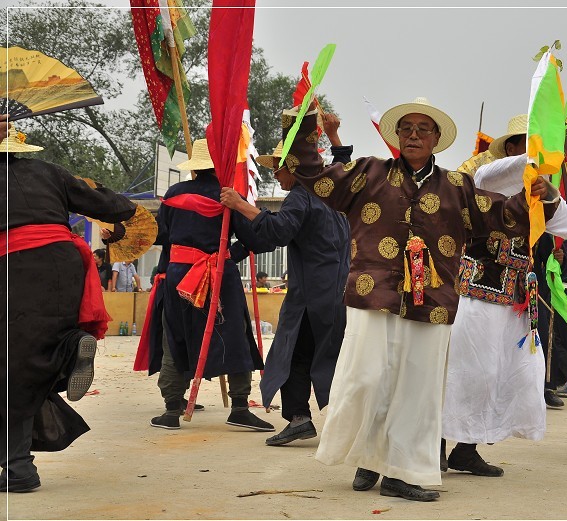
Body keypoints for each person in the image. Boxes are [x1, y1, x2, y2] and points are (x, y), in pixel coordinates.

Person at [279, 96, 567, 502]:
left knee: (417, 389)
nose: (414, 135)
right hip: (373, 293)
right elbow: (315, 176)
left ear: (436, 139)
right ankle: (368, 455)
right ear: (396, 136)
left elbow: (504, 215)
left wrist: (542, 194)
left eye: (423, 129)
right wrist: (302, 125)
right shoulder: (367, 172)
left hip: (431, 300)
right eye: (406, 128)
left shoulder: (457, 187)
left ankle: (400, 472)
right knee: (365, 379)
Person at [441, 115, 567, 476]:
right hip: (473, 296)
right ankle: (434, 445)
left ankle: (466, 447)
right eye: (526, 144)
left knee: (501, 374)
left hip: (514, 301)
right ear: (510, 149)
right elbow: (500, 174)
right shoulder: (481, 179)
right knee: (462, 371)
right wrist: (538, 155)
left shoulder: (541, 201)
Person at [1, 118, 138, 492]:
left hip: (13, 267)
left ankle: (17, 466)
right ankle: (70, 346)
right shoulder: (51, 172)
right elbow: (119, 206)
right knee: (34, 355)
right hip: (63, 265)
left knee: (12, 365)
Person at [219, 113, 351, 447]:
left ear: (292, 165)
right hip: (338, 295)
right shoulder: (332, 191)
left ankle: (301, 419)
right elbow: (347, 171)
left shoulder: (301, 195)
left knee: (292, 355)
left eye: (278, 166)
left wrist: (240, 205)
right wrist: (334, 137)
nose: (274, 174)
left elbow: (278, 231)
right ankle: (337, 420)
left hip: (309, 297)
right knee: (330, 356)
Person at [148, 138, 274, 432]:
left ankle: (171, 409)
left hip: (178, 275)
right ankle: (240, 407)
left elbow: (161, 235)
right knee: (234, 335)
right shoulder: (228, 195)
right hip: (217, 274)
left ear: (193, 169)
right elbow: (255, 239)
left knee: (175, 337)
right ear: (219, 168)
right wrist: (233, 253)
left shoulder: (173, 195)